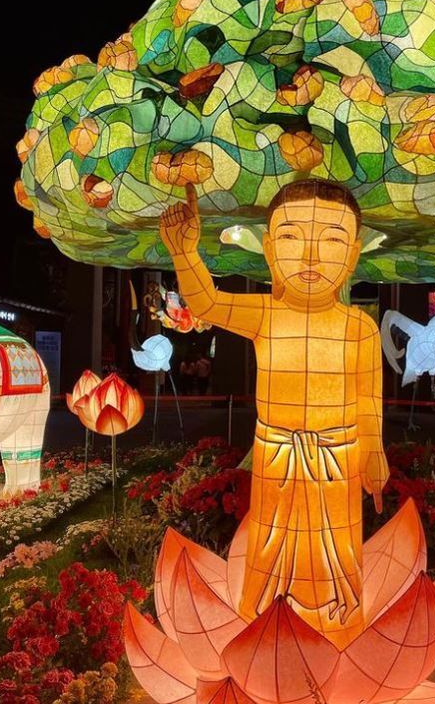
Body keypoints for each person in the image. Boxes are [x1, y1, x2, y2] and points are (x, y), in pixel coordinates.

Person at [160, 179, 389, 649]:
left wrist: (374, 450)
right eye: (290, 237)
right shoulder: (265, 314)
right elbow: (206, 303)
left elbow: (368, 399)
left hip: (338, 456)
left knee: (338, 545)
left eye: (331, 240)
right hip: (277, 454)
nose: (310, 256)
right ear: (268, 249)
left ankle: (336, 622)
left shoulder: (359, 327)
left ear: (353, 253)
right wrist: (184, 253)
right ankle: (267, 624)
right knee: (270, 543)